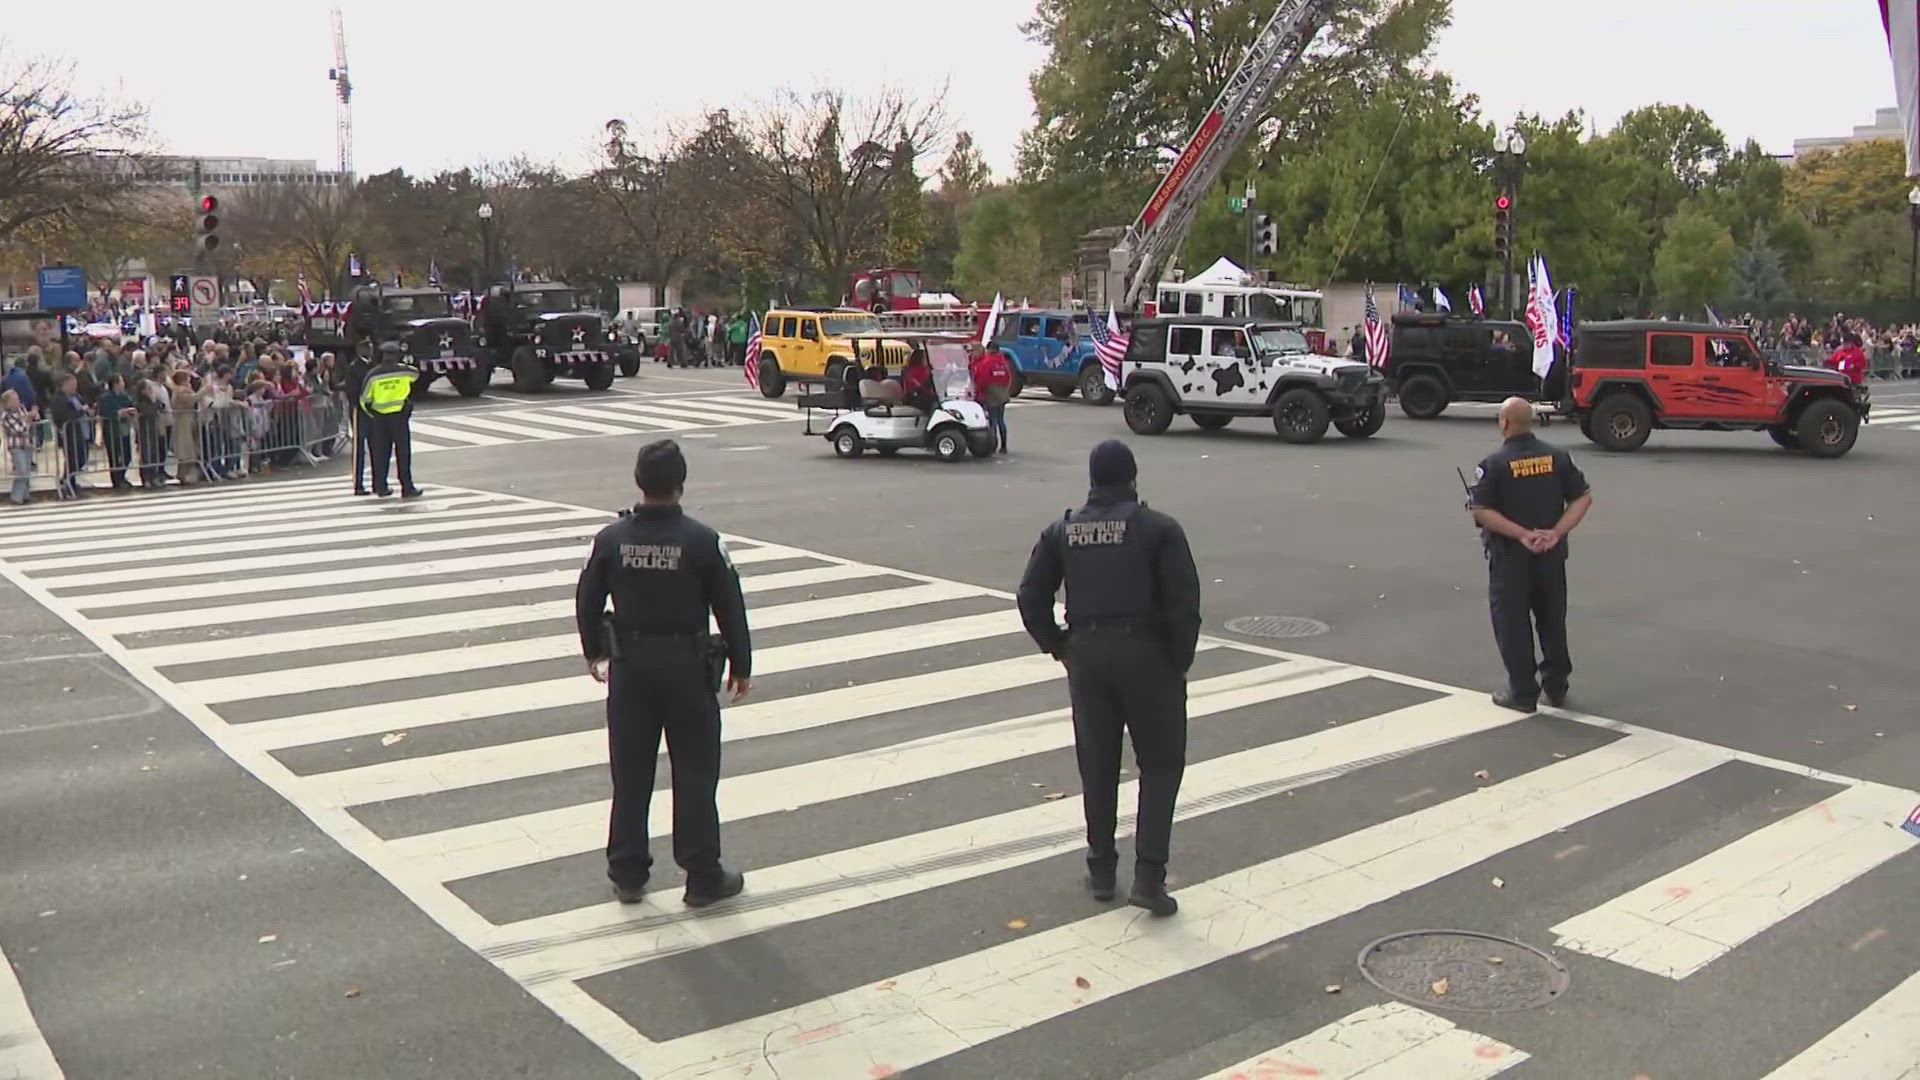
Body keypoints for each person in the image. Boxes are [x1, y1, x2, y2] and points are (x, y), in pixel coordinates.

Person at [1016, 440, 1201, 917]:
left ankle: (1101, 871)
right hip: (1148, 655)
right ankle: (1148, 877)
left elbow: (1031, 594)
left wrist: (1058, 645)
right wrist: (1178, 661)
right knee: (1160, 766)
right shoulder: (1159, 529)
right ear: (1133, 478)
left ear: (1093, 481)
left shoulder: (1064, 530)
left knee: (1097, 765)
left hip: (1088, 655)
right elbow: (1184, 605)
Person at [575, 440, 753, 907]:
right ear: (680, 482)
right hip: (688, 669)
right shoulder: (701, 540)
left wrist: (594, 649)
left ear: (639, 481)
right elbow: (729, 605)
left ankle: (629, 872)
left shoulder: (611, 540)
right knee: (695, 773)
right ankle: (701, 876)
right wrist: (741, 664)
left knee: (630, 773)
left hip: (630, 668)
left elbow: (587, 598)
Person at [1466, 397, 1594, 712]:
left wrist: (1522, 534)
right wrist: (1556, 532)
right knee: (1552, 619)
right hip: (1551, 555)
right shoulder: (1557, 457)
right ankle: (1556, 682)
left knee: (1512, 622)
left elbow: (1481, 510)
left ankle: (1523, 692)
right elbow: (1583, 499)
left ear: (1505, 422)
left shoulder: (1493, 464)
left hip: (1511, 557)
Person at [358, 342, 422, 499]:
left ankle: (381, 487)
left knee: (381, 454)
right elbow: (417, 374)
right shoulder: (404, 371)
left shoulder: (373, 374)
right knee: (403, 453)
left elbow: (364, 400)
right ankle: (407, 487)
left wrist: (373, 413)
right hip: (399, 417)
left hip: (379, 418)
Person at [342, 344, 376, 494]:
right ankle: (358, 484)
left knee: (376, 447)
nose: (371, 350)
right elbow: (352, 391)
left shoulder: (372, 365)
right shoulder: (354, 368)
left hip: (373, 411)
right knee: (359, 448)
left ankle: (378, 481)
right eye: (368, 348)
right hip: (359, 411)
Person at [969, 342, 1014, 453]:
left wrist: (980, 393)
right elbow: (1008, 377)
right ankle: (1003, 445)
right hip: (1001, 394)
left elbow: (982, 381)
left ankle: (992, 445)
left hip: (990, 395)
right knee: (1000, 420)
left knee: (991, 421)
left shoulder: (986, 362)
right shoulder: (1002, 362)